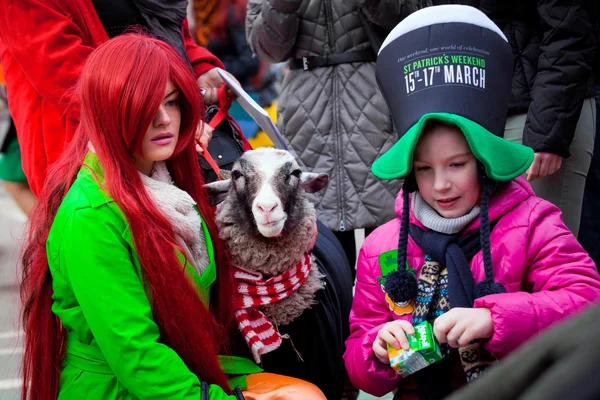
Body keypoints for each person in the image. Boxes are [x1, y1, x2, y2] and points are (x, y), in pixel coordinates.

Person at [20, 34, 325, 400]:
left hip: (185, 368)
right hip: (124, 388)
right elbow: (137, 356)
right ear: (107, 108)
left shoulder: (166, 180)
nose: (164, 119)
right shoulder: (91, 216)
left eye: (172, 102)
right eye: (144, 105)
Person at [343, 6, 600, 400]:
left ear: (482, 161)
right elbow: (361, 364)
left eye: (457, 164)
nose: (441, 184)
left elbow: (586, 306)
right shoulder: (381, 247)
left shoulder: (533, 223)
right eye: (425, 169)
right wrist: (377, 348)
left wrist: (495, 318)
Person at [358, 0, 598, 236]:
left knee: (538, 248)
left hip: (533, 113)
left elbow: (568, 30)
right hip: (460, 114)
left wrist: (547, 132)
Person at [0, 0, 239, 196]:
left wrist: (200, 69)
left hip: (166, 136)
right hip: (87, 145)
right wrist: (177, 114)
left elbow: (173, 34)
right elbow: (64, 69)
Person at [246, 0, 403, 270]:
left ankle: (390, 309)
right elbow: (266, 49)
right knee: (317, 234)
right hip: (305, 108)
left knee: (388, 226)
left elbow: (407, 18)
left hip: (375, 97)